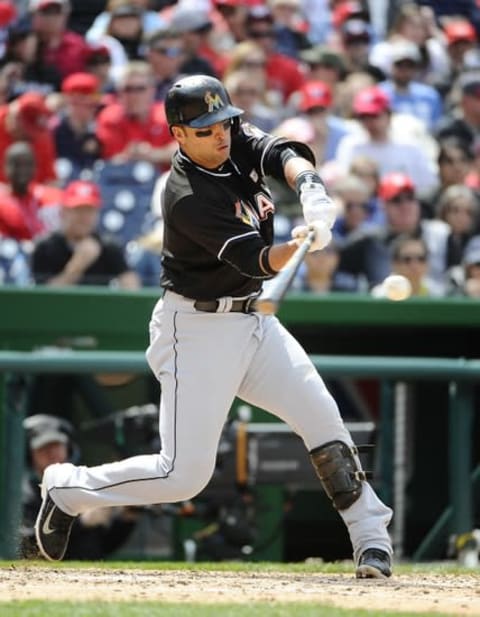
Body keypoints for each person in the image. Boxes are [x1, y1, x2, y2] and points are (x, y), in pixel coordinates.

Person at [34, 74, 393, 578]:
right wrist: (301, 245)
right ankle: (67, 488)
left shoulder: (231, 139)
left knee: (324, 422)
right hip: (196, 329)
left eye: (223, 122)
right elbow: (257, 260)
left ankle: (371, 538)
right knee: (183, 475)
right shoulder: (184, 194)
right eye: (204, 129)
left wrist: (310, 186)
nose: (220, 134)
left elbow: (278, 151)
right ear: (179, 135)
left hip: (253, 322)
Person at [21, 413, 140, 559]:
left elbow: (103, 545)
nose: (52, 453)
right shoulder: (24, 493)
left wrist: (126, 519)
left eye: (57, 446)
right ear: (30, 454)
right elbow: (28, 545)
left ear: (68, 448)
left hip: (91, 574)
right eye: (44, 448)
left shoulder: (81, 484)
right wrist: (82, 523)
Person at [31, 178, 140, 287]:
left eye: (89, 211)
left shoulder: (108, 247)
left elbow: (132, 289)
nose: (84, 217)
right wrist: (78, 265)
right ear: (63, 212)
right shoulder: (46, 248)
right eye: (78, 210)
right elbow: (42, 298)